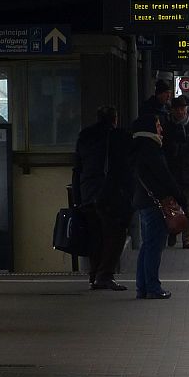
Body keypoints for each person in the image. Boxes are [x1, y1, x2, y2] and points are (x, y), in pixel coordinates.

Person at [71, 106, 132, 290]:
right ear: (115, 119)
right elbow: (125, 167)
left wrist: (77, 196)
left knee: (94, 235)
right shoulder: (119, 137)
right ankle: (105, 275)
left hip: (87, 192)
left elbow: (77, 168)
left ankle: (94, 274)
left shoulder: (84, 136)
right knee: (115, 235)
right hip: (110, 194)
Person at [130, 113, 185, 300]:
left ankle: (142, 287)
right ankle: (153, 287)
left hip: (143, 201)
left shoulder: (137, 147)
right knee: (154, 246)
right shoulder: (151, 149)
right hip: (155, 203)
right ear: (150, 128)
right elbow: (165, 176)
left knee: (147, 246)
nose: (161, 129)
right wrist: (180, 196)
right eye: (158, 125)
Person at [162, 96, 189, 249]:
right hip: (172, 175)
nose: (180, 112)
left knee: (188, 207)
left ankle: (187, 238)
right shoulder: (166, 128)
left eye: (182, 108)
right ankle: (173, 232)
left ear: (186, 109)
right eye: (177, 109)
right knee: (172, 207)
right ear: (172, 110)